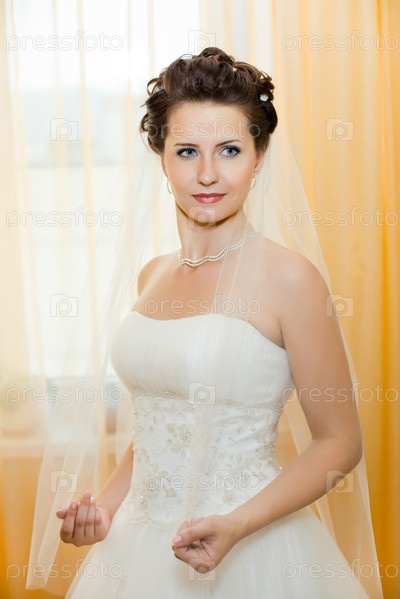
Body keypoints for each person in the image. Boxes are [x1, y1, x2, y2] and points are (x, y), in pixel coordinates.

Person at [30, 47, 382, 598]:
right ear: (162, 159)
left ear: (259, 158)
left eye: (230, 150)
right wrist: (105, 508)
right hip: (136, 548)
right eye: (188, 151)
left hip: (254, 548)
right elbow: (158, 425)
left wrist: (237, 524)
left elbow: (340, 442)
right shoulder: (152, 275)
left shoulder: (291, 279)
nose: (208, 174)